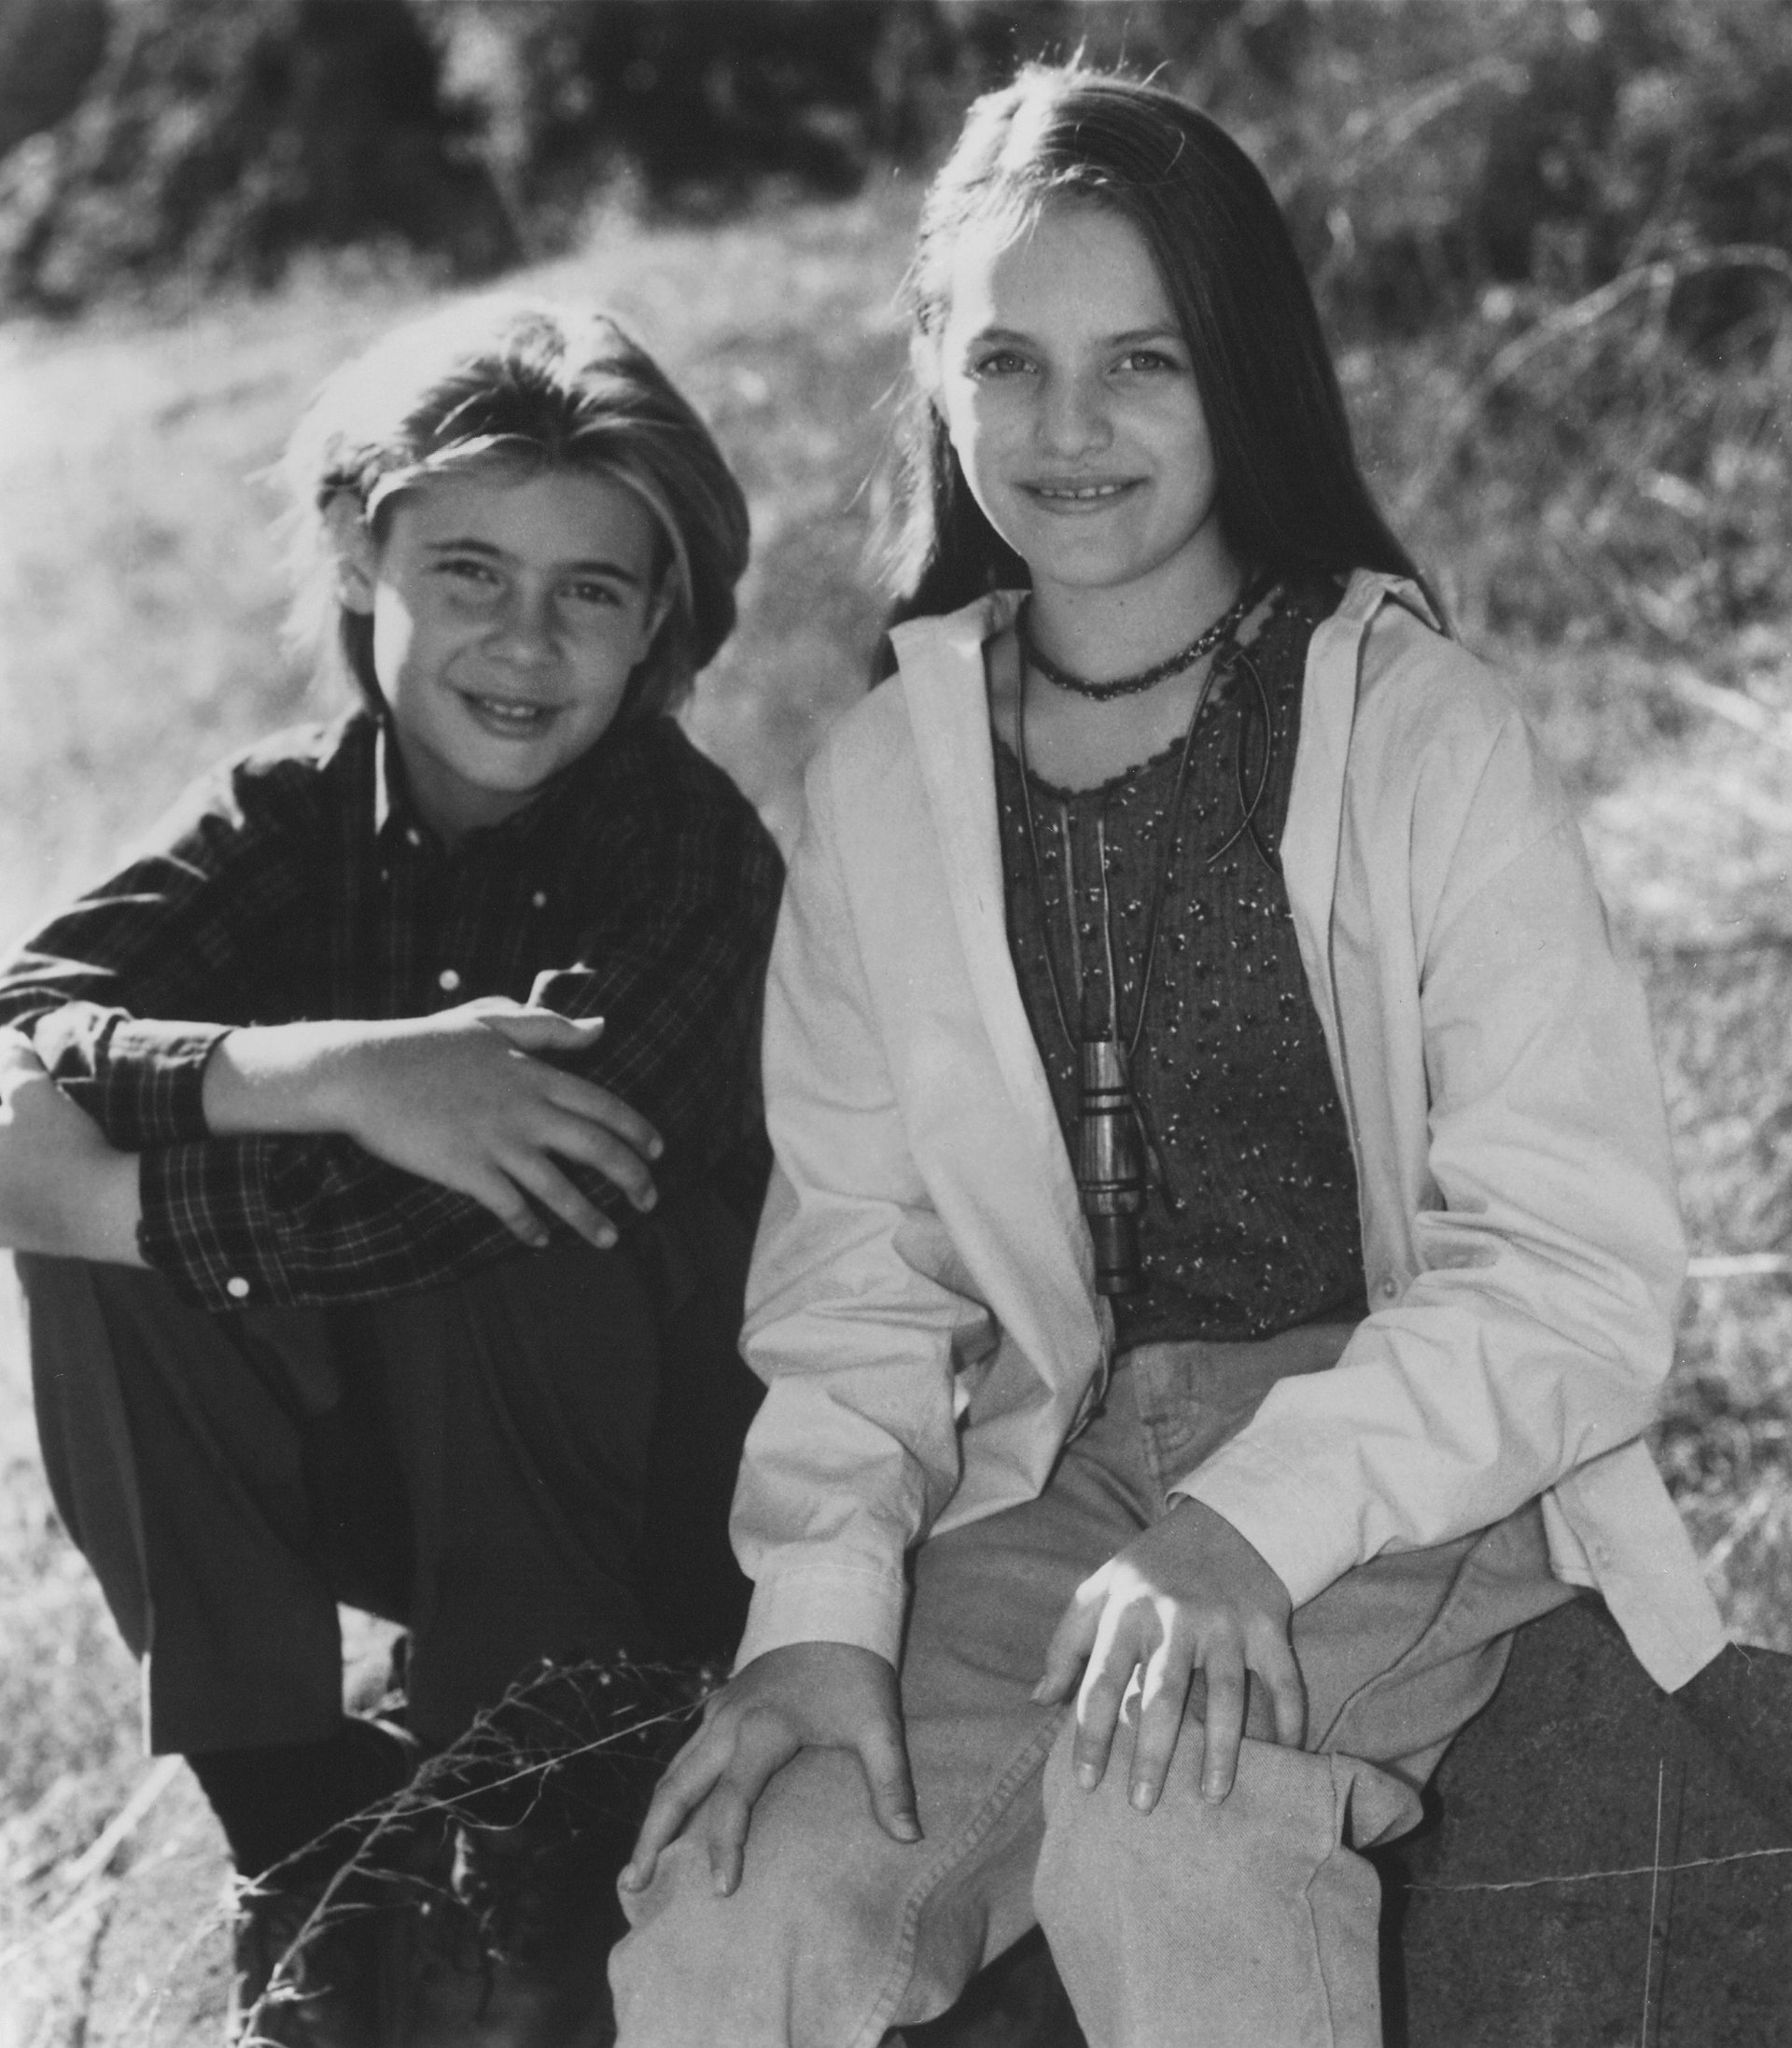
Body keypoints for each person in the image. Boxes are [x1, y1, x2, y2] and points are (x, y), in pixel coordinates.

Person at [609, 63, 1727, 2048]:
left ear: (1246, 369)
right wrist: (818, 1619)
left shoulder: (1418, 727)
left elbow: (1574, 1266)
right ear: (936, 373)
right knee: (738, 1903)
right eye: (1009, 360)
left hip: (1392, 1464)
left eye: (1143, 359)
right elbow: (860, 1270)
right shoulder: (885, 777)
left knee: (1166, 1829)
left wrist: (1247, 1526)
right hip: (1054, 1469)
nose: (1070, 427)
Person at [0, 296, 783, 2043]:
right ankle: (301, 1838)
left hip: (659, 1508)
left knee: (521, 1190)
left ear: (661, 615)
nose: (525, 640)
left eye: (592, 590)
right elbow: (21, 1022)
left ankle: (536, 1839)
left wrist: (125, 1185)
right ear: (366, 554)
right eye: (470, 571)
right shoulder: (285, 818)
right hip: (393, 1480)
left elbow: (461, 1199)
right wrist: (334, 1072)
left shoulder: (691, 857)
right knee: (111, 1255)